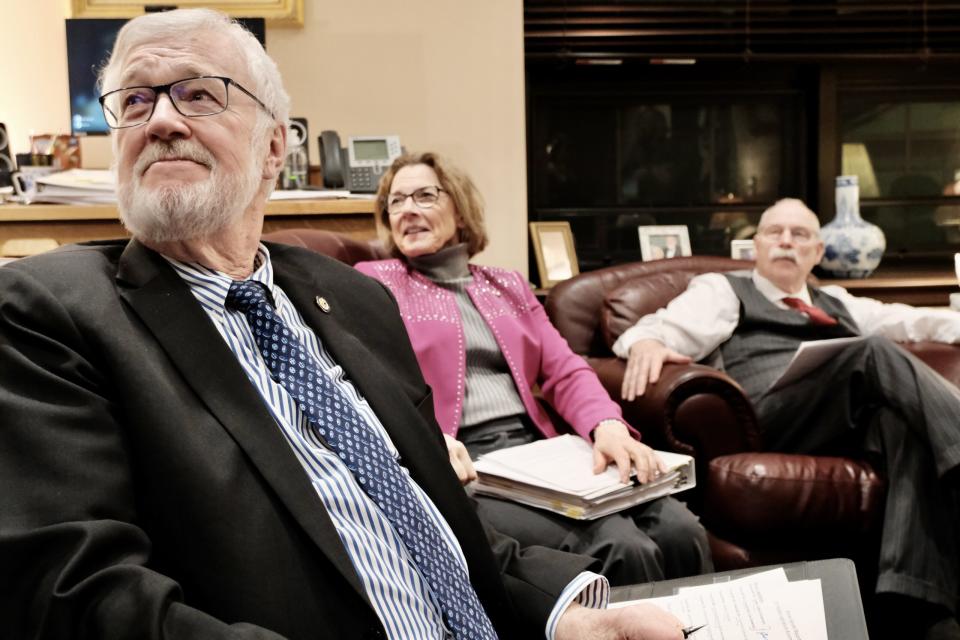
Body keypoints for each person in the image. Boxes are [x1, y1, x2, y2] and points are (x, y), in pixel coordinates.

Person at [0, 9, 694, 640]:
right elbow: (73, 597)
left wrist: (565, 614)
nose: (159, 120)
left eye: (198, 93)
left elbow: (426, 508)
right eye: (135, 100)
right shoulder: (50, 313)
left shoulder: (349, 299)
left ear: (276, 148)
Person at [355, 152, 712, 587]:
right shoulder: (373, 282)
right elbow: (367, 378)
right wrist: (426, 439)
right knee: (622, 548)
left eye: (425, 195)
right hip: (470, 463)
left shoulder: (506, 284)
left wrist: (607, 426)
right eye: (396, 201)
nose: (408, 209)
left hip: (541, 452)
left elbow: (564, 370)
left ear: (460, 210)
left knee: (682, 531)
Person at [615, 197, 960, 640]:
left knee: (904, 427)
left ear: (817, 252)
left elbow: (910, 322)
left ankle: (915, 608)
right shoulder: (723, 289)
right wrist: (646, 342)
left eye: (799, 235)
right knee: (871, 350)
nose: (785, 241)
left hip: (838, 423)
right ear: (754, 246)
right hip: (768, 415)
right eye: (774, 232)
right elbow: (652, 330)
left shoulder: (833, 299)